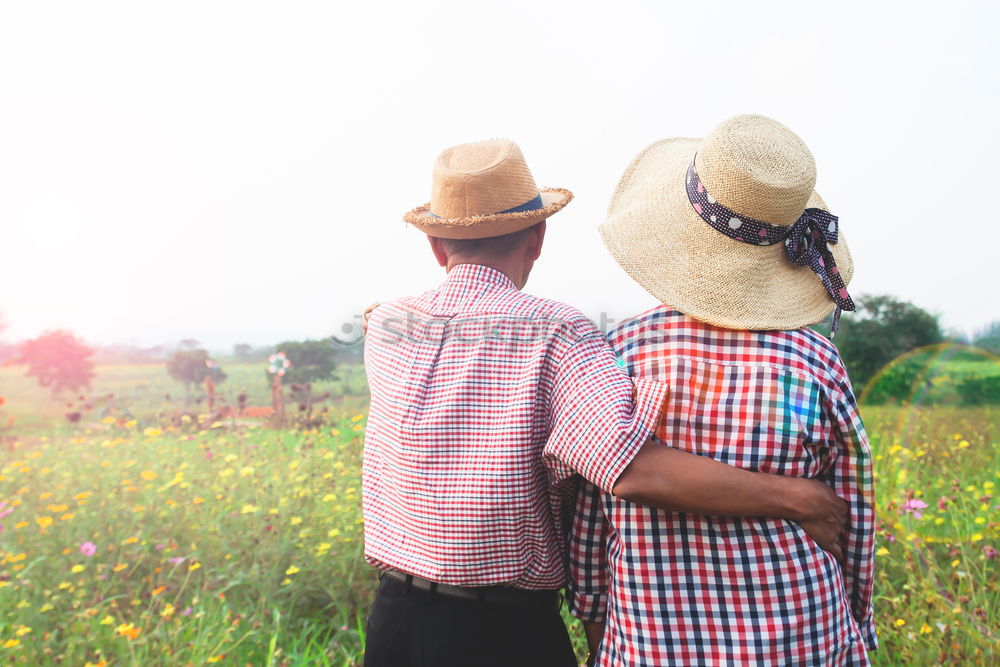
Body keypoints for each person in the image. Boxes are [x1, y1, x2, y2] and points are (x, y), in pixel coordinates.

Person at [361, 137, 850, 667]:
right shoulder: (556, 330)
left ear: (436, 245)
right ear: (538, 237)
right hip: (502, 631)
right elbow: (629, 468)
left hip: (395, 620)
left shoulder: (385, 325)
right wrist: (798, 499)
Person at [568, 114, 877, 666]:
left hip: (652, 637)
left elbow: (593, 505)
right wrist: (857, 617)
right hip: (801, 634)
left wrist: (596, 620)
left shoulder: (619, 353)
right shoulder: (815, 361)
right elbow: (850, 508)